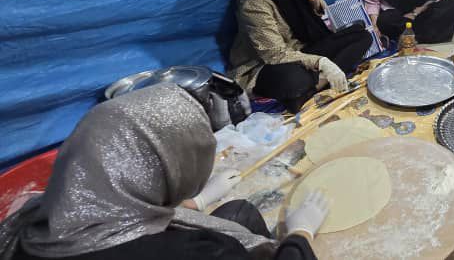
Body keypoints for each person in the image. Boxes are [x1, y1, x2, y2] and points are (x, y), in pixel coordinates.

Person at [0, 83, 330, 260]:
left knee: (239, 211)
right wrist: (299, 236)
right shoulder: (197, 252)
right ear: (167, 170)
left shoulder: (36, 220)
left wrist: (198, 203)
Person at [228, 0, 372, 112]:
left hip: (300, 49)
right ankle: (310, 84)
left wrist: (315, 2)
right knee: (294, 79)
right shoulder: (254, 2)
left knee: (362, 36)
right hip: (265, 65)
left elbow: (316, 21)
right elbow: (274, 55)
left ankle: (313, 87)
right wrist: (321, 62)